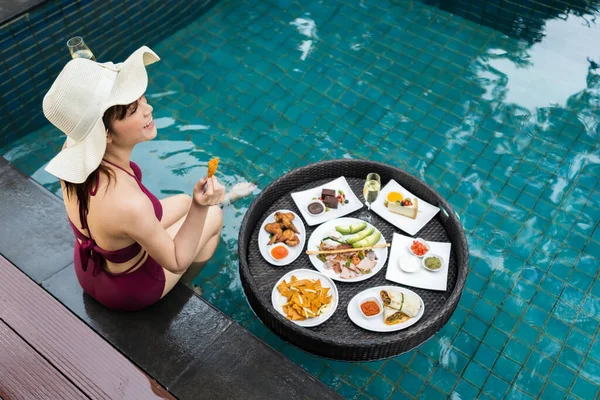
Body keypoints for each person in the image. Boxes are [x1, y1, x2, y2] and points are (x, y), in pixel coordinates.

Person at [43, 46, 254, 311]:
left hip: (90, 268)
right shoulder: (127, 202)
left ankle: (220, 200)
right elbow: (175, 259)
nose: (148, 109)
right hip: (128, 289)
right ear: (105, 134)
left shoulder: (74, 156)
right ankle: (185, 286)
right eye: (133, 109)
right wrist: (201, 207)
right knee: (212, 216)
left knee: (181, 201)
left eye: (142, 99)